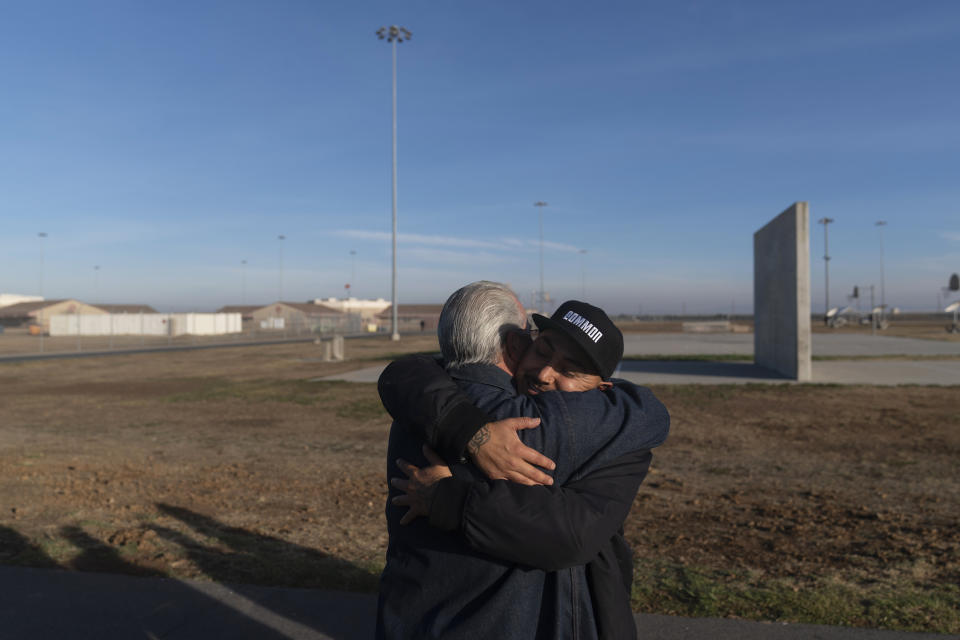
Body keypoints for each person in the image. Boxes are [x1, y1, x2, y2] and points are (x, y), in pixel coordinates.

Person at [375, 282, 669, 639]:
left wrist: (447, 498)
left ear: (603, 393)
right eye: (543, 349)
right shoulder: (438, 404)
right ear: (519, 344)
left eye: (571, 372)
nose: (546, 374)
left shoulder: (422, 403)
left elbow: (574, 534)